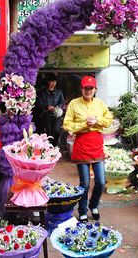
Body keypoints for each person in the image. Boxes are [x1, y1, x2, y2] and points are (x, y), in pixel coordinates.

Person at [63, 76, 113, 222]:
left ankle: (94, 205)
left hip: (96, 145)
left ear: (95, 89)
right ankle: (83, 210)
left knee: (101, 181)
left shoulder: (100, 104)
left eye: (91, 88)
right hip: (81, 145)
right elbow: (67, 125)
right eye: (86, 88)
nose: (88, 91)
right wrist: (84, 125)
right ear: (81, 88)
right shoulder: (74, 104)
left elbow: (109, 120)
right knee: (84, 183)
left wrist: (97, 120)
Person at [36, 74, 65, 146]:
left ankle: (55, 146)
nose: (53, 83)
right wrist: (46, 106)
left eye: (55, 82)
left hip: (56, 115)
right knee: (48, 132)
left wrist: (57, 107)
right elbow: (39, 102)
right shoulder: (43, 92)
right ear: (48, 82)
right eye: (52, 81)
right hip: (47, 115)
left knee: (56, 131)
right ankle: (49, 147)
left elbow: (62, 101)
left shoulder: (59, 92)